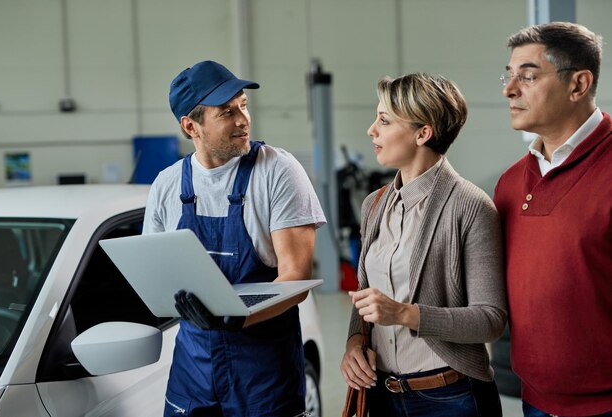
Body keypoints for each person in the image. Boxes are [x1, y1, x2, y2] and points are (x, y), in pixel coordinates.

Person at [143, 60, 326, 417]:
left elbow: (297, 278)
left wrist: (237, 318)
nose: (243, 119)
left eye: (243, 105)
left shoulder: (277, 171)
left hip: (263, 371)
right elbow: (157, 278)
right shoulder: (166, 185)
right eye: (227, 112)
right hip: (192, 367)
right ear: (190, 125)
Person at [339, 73, 507, 416]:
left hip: (450, 397)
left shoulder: (471, 206)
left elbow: (490, 319)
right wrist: (355, 341)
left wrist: (405, 313)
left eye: (384, 120)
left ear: (423, 133)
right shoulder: (374, 204)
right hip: (383, 394)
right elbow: (366, 294)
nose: (372, 129)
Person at [494, 22, 612, 417]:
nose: (509, 90)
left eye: (527, 76)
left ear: (578, 85)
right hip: (536, 401)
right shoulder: (510, 183)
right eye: (508, 75)